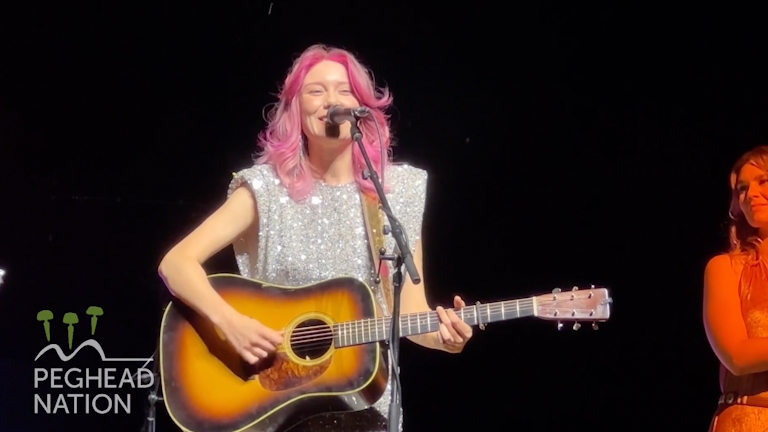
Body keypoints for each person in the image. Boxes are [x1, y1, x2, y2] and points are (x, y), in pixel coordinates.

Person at [157, 44, 474, 432]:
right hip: (274, 405)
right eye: (316, 91)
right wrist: (230, 322)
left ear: (362, 108)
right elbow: (176, 263)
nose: (332, 100)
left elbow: (405, 314)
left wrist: (445, 339)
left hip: (365, 409)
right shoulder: (266, 190)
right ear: (295, 109)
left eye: (344, 91)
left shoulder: (396, 194)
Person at [704, 145, 768, 431]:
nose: (750, 194)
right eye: (742, 188)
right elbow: (737, 357)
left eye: (763, 181)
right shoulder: (726, 269)